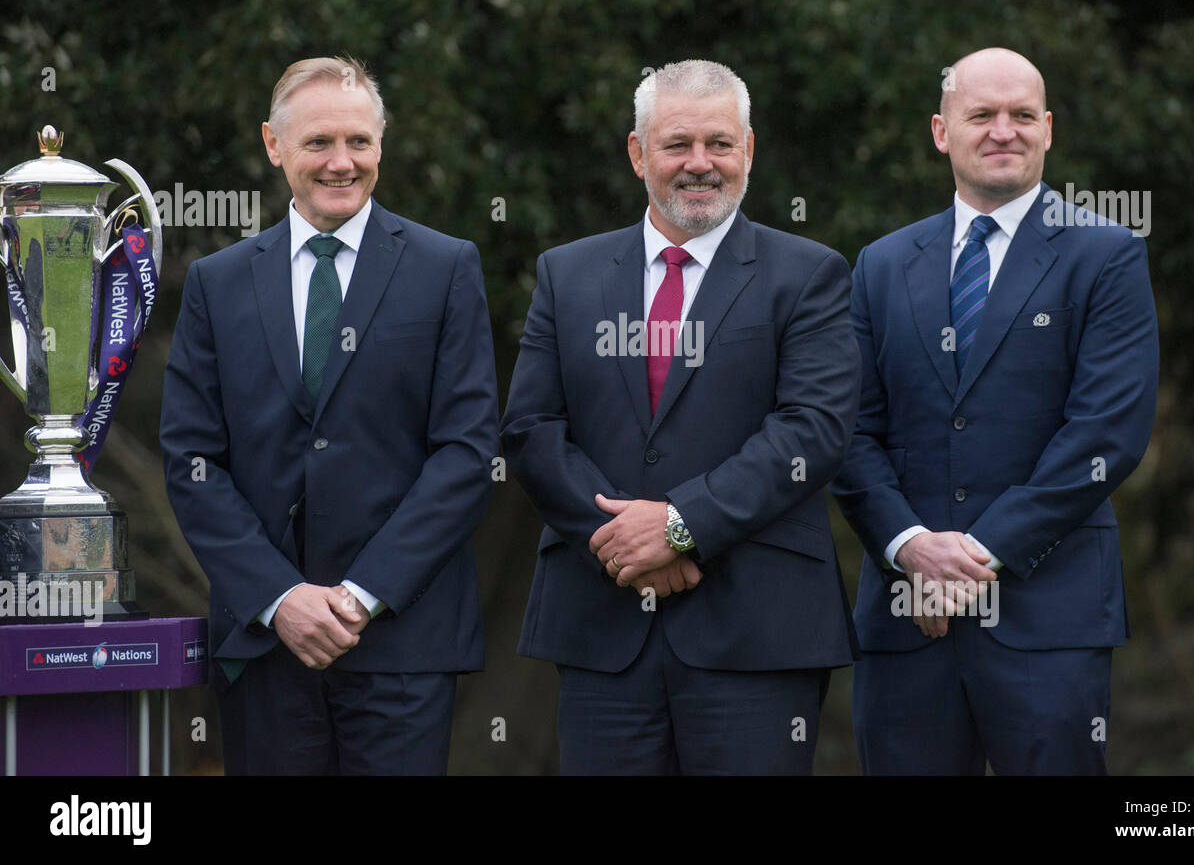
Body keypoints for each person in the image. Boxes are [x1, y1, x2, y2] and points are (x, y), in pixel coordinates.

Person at [501, 59, 860, 775]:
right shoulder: (566, 275)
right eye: (677, 144)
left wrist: (676, 526)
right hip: (602, 627)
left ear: (749, 150)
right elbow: (531, 431)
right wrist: (621, 543)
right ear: (638, 154)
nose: (701, 163)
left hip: (758, 633)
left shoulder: (809, 274)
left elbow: (812, 428)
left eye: (720, 144)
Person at [160, 56, 498, 774]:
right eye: (318, 143)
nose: (341, 163)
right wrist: (281, 598)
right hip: (265, 643)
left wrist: (358, 595)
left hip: (402, 642)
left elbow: (467, 454)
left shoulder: (446, 268)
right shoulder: (216, 285)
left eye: (359, 142)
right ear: (273, 144)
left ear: (382, 145)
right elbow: (193, 462)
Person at [832, 47, 1159, 774]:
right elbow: (848, 433)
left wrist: (973, 557)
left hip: (1049, 620)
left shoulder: (1105, 254)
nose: (1002, 130)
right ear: (942, 131)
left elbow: (1107, 432)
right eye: (981, 114)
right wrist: (911, 547)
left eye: (1021, 116)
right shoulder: (880, 264)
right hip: (907, 622)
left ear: (1049, 129)